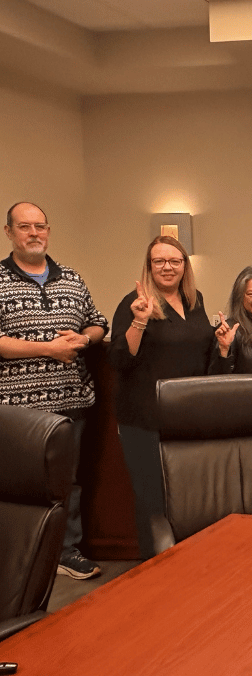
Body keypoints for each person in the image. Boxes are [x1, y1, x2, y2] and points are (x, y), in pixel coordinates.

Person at [0, 201, 108, 579]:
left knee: (68, 483)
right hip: (17, 411)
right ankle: (21, 559)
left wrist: (83, 338)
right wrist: (48, 348)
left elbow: (98, 324)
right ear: (9, 232)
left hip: (71, 402)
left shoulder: (73, 279)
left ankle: (66, 552)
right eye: (25, 227)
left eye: (40, 227)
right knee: (19, 488)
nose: (34, 233)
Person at [110, 235, 214, 559]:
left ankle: (184, 567)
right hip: (145, 422)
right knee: (153, 503)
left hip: (187, 421)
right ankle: (152, 572)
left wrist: (222, 345)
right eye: (159, 261)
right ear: (149, 266)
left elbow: (204, 356)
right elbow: (118, 360)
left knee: (186, 501)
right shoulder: (135, 303)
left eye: (175, 261)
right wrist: (140, 320)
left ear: (185, 266)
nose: (167, 267)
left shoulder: (195, 301)